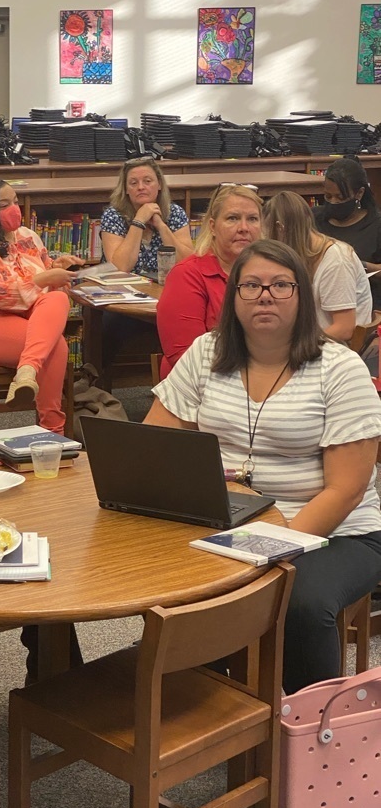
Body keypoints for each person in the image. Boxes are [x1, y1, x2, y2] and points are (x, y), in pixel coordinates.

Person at [146, 239, 381, 694]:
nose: (265, 295)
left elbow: (346, 489)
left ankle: (313, 738)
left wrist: (262, 548)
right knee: (159, 570)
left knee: (301, 602)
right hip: (226, 517)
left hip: (335, 530)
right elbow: (157, 445)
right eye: (251, 285)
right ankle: (207, 704)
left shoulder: (340, 368)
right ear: (234, 297)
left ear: (303, 297)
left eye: (280, 285)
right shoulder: (206, 353)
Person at [0, 178, 83, 433]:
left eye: (15, 202)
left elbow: (45, 287)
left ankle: (26, 372)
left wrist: (57, 270)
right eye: (4, 205)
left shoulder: (29, 237)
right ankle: (53, 430)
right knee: (54, 345)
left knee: (58, 299)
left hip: (31, 321)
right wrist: (44, 278)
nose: (14, 209)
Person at [156, 184, 262, 379]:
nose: (244, 228)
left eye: (253, 219)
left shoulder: (270, 274)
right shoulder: (187, 274)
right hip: (202, 386)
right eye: (233, 218)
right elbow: (186, 358)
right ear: (212, 226)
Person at [264, 190, 372, 342]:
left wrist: (292, 346)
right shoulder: (302, 255)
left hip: (334, 350)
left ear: (280, 228)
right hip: (314, 342)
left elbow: (344, 329)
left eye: (269, 237)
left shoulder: (336, 260)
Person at [100, 156, 193, 274]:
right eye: (133, 183)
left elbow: (188, 263)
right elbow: (119, 268)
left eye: (147, 181)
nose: (140, 187)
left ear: (159, 184)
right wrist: (139, 221)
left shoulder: (174, 213)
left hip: (162, 287)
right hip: (121, 289)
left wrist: (161, 226)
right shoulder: (113, 216)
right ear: (126, 189)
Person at [313, 157, 381, 308]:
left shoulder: (376, 225)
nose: (333, 202)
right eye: (328, 196)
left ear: (359, 193)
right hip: (317, 302)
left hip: (363, 304)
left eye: (341, 197)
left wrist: (357, 264)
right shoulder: (314, 219)